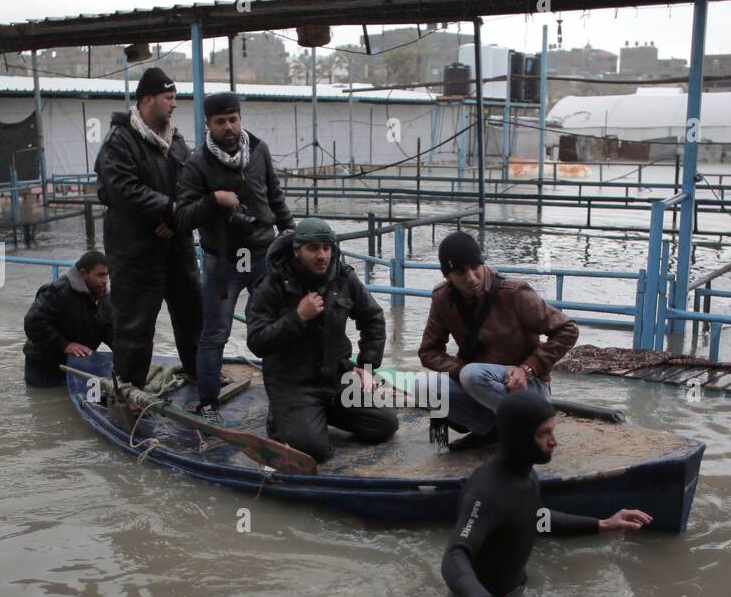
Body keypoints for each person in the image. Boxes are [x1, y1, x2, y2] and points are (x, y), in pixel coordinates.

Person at [442, 391, 652, 597]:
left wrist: (603, 524)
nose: (554, 441)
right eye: (544, 434)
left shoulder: (528, 475)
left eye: (553, 431)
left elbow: (535, 518)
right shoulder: (486, 493)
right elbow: (454, 555)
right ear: (519, 439)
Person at [176, 92, 295, 422]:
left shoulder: (258, 149)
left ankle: (284, 398)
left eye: (233, 119)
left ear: (240, 118)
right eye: (220, 122)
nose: (228, 127)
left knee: (274, 330)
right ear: (208, 124)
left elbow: (275, 196)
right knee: (215, 333)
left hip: (263, 256)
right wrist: (214, 200)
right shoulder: (196, 163)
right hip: (222, 261)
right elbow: (183, 218)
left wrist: (290, 235)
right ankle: (208, 403)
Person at [245, 217, 398, 463]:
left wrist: (366, 366)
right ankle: (282, 418)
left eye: (327, 248)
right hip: (293, 383)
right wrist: (297, 317)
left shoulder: (344, 278)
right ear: (297, 251)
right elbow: (257, 341)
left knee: (384, 424)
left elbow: (373, 318)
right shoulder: (271, 285)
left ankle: (317, 415)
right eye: (313, 248)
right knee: (315, 451)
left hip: (335, 379)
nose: (322, 255)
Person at [418, 231, 578, 451]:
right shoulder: (441, 299)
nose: (472, 278)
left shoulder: (513, 293)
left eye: (475, 267)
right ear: (448, 276)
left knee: (472, 375)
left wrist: (527, 368)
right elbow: (428, 351)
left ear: (483, 263)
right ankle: (491, 431)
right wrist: (461, 369)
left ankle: (531, 426)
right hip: (477, 382)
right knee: (422, 385)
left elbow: (567, 329)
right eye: (461, 272)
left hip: (529, 387)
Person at [93, 66, 201, 391]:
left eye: (176, 98)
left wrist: (174, 218)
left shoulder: (176, 141)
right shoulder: (119, 142)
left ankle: (200, 373)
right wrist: (168, 209)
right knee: (135, 324)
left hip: (176, 245)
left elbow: (192, 184)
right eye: (169, 98)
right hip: (135, 251)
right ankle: (128, 389)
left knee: (192, 313)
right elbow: (121, 189)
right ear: (147, 99)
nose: (175, 104)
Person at [22, 250, 113, 387]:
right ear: (83, 274)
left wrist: (126, 352)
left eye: (107, 275)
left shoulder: (105, 299)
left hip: (77, 364)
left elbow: (110, 330)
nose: (105, 280)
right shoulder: (57, 291)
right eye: (100, 275)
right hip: (44, 368)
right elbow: (33, 323)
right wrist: (65, 345)